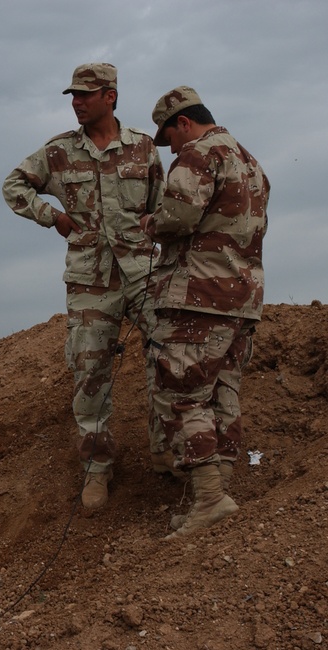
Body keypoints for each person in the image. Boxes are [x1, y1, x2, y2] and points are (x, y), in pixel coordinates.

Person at [2, 62, 167, 510]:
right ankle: (97, 468)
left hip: (141, 273)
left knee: (168, 355)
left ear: (110, 96)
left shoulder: (144, 150)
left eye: (86, 95)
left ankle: (165, 451)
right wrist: (51, 216)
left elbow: (162, 207)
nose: (77, 102)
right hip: (89, 280)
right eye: (73, 95)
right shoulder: (58, 152)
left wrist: (154, 237)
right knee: (89, 370)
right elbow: (13, 185)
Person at [142, 86, 269, 539]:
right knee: (223, 390)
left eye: (169, 138)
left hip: (198, 297)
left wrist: (151, 224)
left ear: (183, 122)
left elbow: (178, 216)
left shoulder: (198, 153)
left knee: (180, 393)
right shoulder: (250, 161)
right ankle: (219, 493)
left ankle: (211, 499)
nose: (170, 148)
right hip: (243, 301)